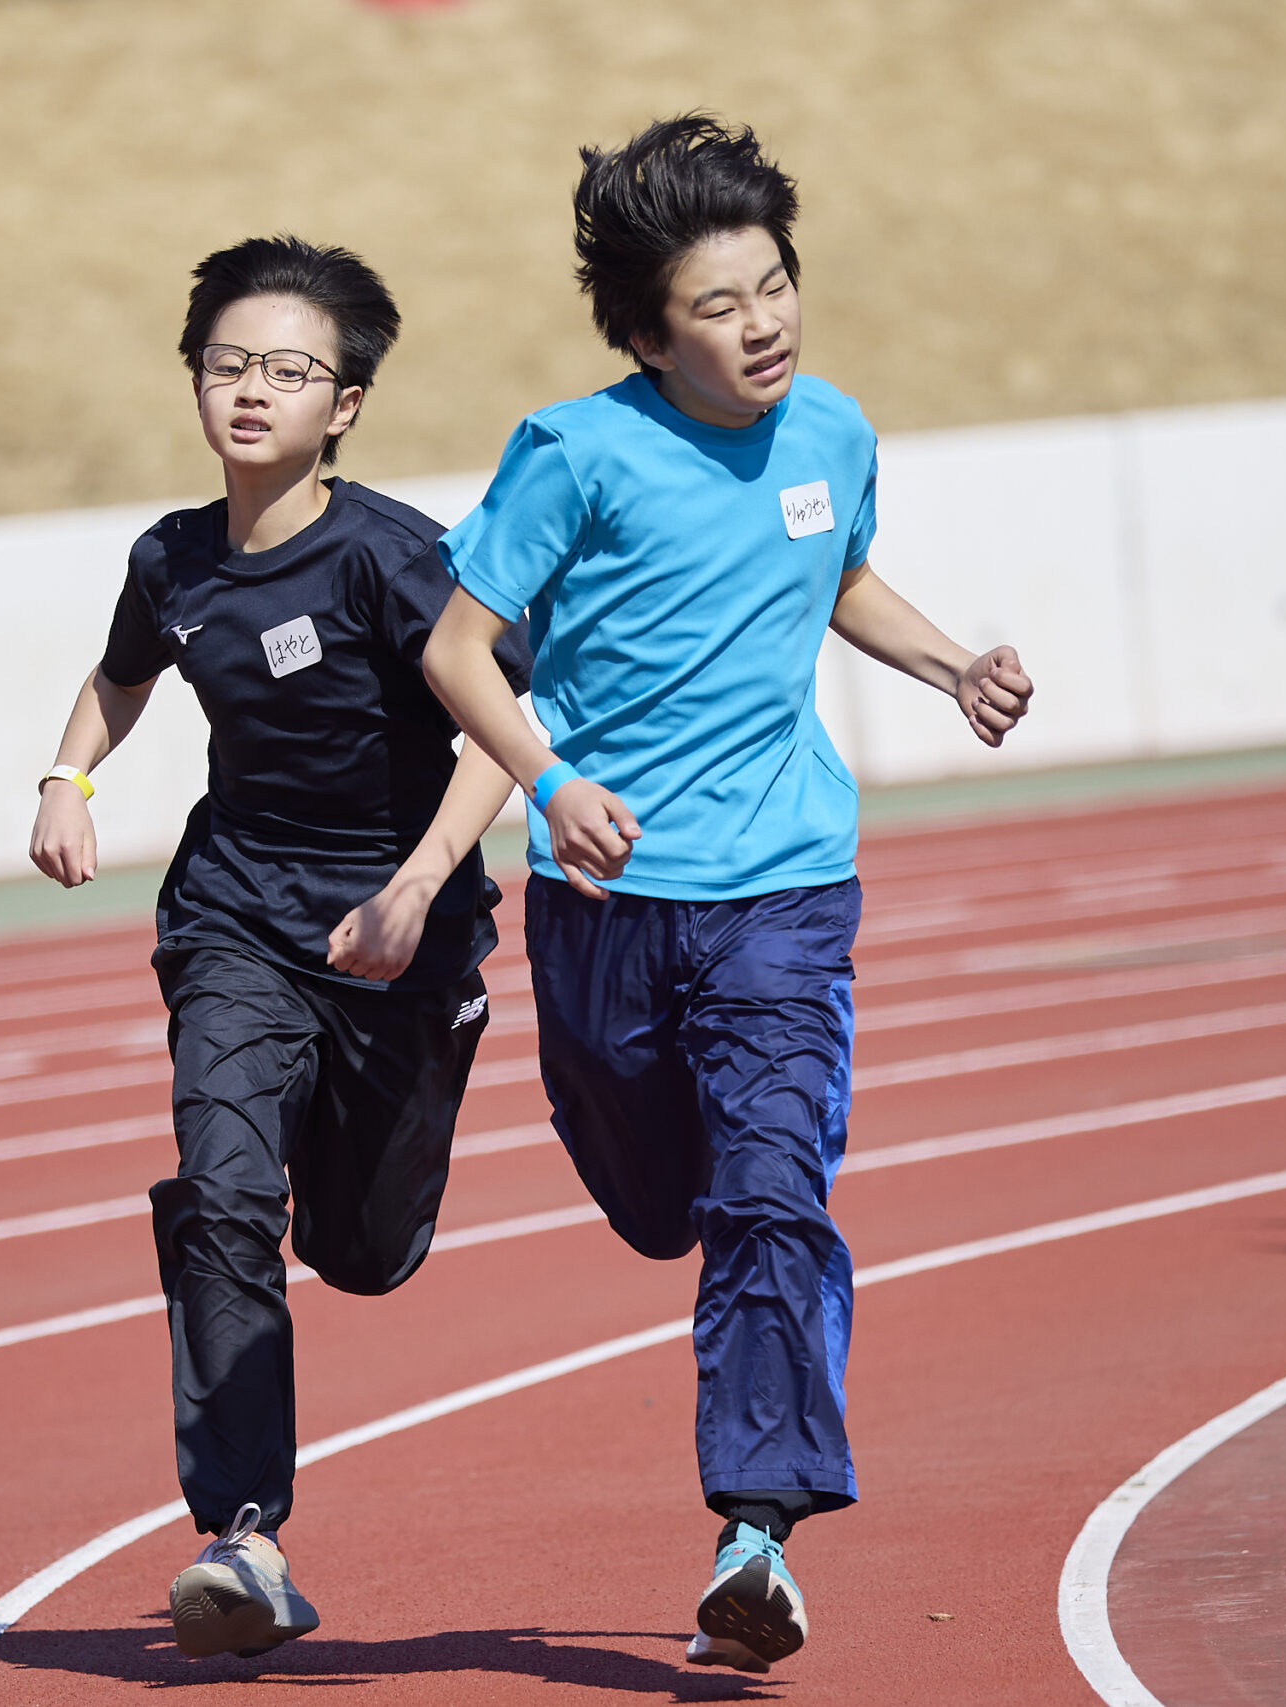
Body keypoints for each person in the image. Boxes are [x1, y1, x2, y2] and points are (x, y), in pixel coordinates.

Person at [419, 116, 1034, 1675]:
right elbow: (454, 648)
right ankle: (689, 1246)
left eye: (775, 287)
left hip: (786, 891)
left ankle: (757, 1530)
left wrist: (953, 659)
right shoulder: (573, 454)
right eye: (718, 302)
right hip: (605, 900)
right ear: (644, 329)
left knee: (771, 1194)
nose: (761, 323)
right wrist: (552, 788)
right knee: (654, 1201)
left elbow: (833, 582)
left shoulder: (831, 433)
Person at [28, 234, 533, 1661]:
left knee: (365, 1255)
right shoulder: (173, 557)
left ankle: (397, 1155)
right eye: (227, 364)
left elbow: (501, 729)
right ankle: (240, 1537)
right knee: (227, 1196)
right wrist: (65, 782)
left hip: (400, 938)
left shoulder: (390, 555)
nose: (250, 391)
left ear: (347, 403)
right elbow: (120, 679)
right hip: (235, 918)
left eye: (288, 370)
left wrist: (426, 884)